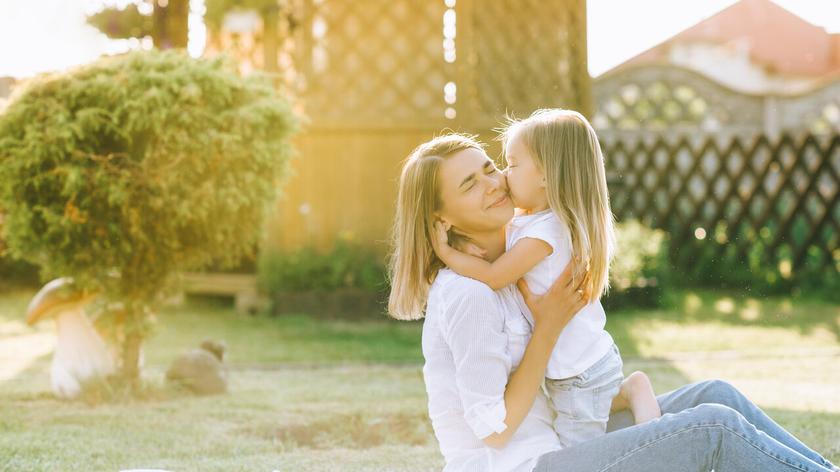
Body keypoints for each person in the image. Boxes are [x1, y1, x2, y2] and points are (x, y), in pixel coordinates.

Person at [387, 133, 839, 472]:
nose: (493, 182)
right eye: (469, 184)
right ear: (440, 218)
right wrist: (547, 328)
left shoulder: (513, 261)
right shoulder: (469, 292)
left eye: (488, 166)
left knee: (714, 395)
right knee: (711, 427)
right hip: (521, 466)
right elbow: (494, 429)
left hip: (559, 443)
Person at [430, 109, 659, 447]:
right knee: (591, 414)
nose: (503, 177)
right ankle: (630, 392)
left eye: (511, 165)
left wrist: (447, 253)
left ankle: (651, 434)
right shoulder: (531, 222)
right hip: (581, 364)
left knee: (580, 455)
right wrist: (464, 240)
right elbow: (498, 241)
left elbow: (495, 275)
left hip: (577, 374)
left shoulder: (547, 232)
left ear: (547, 176)